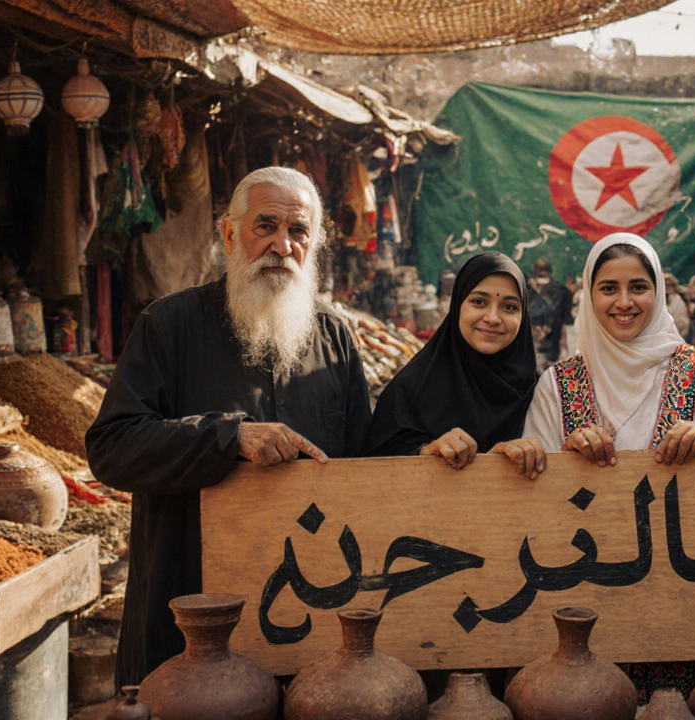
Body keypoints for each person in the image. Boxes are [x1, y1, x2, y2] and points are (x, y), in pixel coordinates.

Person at [85, 167, 373, 687]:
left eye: (299, 231)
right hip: (192, 611)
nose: (282, 246)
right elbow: (111, 447)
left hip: (311, 611)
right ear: (229, 233)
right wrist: (229, 437)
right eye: (266, 226)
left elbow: (365, 465)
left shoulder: (333, 337)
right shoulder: (170, 325)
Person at [522, 232, 695, 700]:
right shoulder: (558, 384)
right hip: (577, 607)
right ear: (589, 294)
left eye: (638, 287)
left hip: (678, 607)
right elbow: (530, 499)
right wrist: (565, 460)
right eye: (608, 288)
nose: (624, 302)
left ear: (658, 292)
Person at [366, 252, 545, 478]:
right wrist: (426, 453)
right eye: (479, 302)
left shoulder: (542, 394)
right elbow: (373, 473)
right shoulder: (410, 392)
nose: (492, 317)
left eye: (509, 307)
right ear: (458, 305)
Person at [529, 257, 572, 366]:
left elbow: (564, 318)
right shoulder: (529, 288)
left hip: (552, 341)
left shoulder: (560, 290)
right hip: (531, 340)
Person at [664, 270, 691, 339]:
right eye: (666, 283)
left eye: (669, 284)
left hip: (680, 335)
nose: (667, 285)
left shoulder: (679, 299)